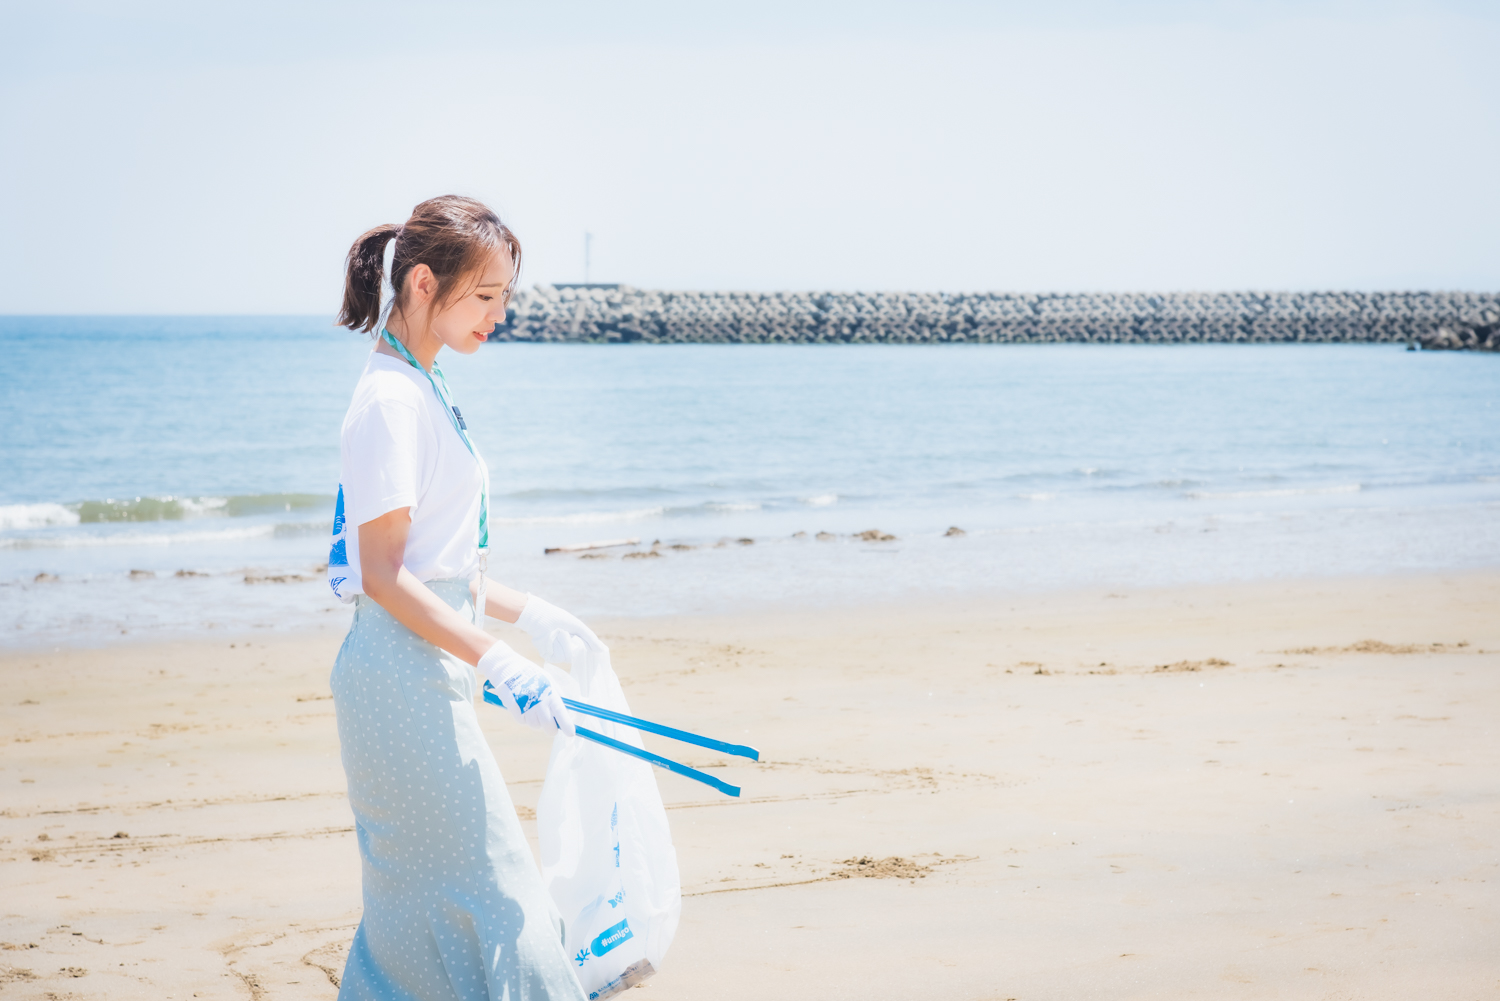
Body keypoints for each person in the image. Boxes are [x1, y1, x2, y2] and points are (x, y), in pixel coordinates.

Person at [327, 195, 601, 1000]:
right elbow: (382, 574)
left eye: (506, 297)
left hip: (421, 671)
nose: (500, 314)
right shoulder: (389, 400)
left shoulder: (422, 382)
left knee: (417, 916)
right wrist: (496, 657)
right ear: (422, 283)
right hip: (399, 682)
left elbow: (442, 561)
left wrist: (535, 615)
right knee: (503, 894)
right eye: (485, 296)